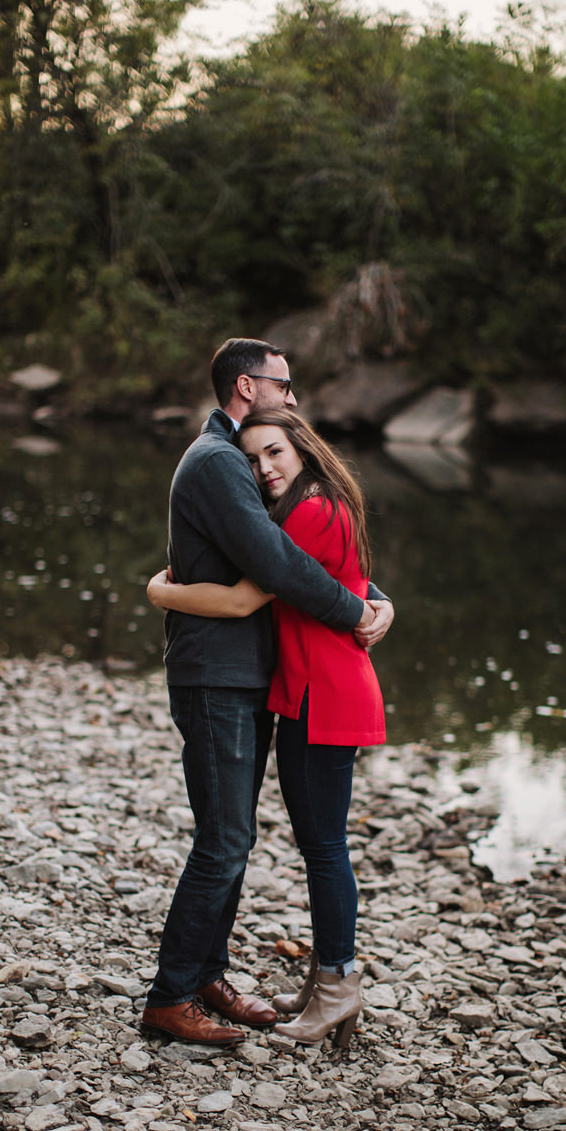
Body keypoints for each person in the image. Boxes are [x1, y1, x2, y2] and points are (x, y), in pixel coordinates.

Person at [138, 337, 392, 1047]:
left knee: (233, 836)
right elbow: (276, 560)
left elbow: (305, 549)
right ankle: (171, 996)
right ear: (249, 387)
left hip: (250, 678)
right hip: (217, 676)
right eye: (285, 385)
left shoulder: (235, 459)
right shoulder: (220, 460)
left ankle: (206, 973)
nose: (293, 397)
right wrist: (355, 612)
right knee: (224, 840)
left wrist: (375, 598)